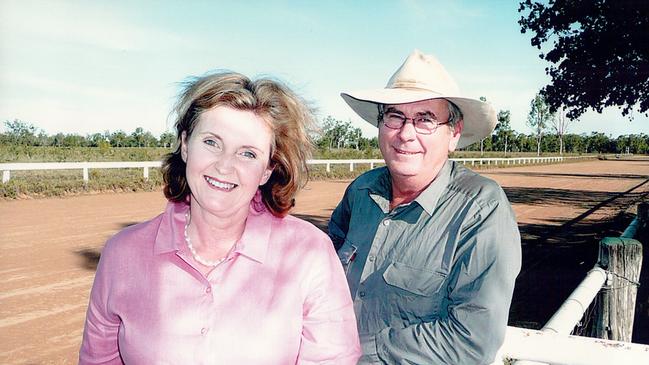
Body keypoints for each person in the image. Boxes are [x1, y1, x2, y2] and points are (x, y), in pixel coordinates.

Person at [80, 71, 361, 364]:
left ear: (267, 169)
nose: (225, 166)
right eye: (212, 142)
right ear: (186, 144)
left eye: (248, 154)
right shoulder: (122, 253)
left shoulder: (310, 253)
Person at [329, 50, 522, 364]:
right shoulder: (360, 193)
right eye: (395, 116)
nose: (406, 134)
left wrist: (356, 350)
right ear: (380, 124)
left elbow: (470, 341)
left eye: (425, 120)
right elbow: (322, 279)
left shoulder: (481, 210)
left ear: (453, 134)